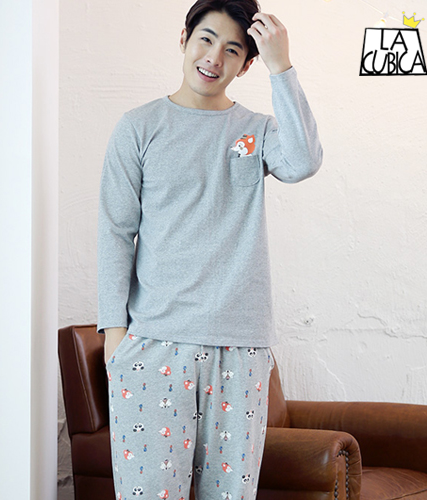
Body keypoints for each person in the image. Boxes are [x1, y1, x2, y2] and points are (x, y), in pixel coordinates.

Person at [97, 0, 323, 498]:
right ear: (184, 39)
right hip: (154, 345)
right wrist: (115, 338)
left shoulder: (257, 131)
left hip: (240, 349)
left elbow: (304, 161)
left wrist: (282, 65)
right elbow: (115, 231)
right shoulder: (138, 127)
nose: (214, 58)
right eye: (205, 39)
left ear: (246, 64)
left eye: (232, 50)